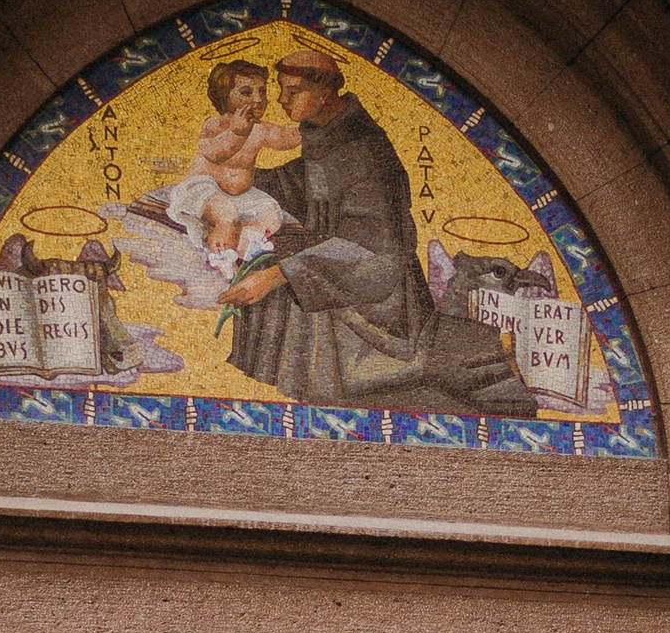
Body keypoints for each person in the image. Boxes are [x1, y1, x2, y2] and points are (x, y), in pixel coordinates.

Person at [216, 51, 536, 416]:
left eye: (292, 92)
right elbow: (305, 184)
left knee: (275, 286)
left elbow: (376, 253)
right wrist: (245, 184)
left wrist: (278, 276)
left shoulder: (364, 150)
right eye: (281, 91)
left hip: (378, 301)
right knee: (266, 257)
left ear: (324, 94)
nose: (281, 101)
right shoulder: (327, 136)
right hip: (335, 265)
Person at [163, 58, 298, 275]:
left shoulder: (260, 129)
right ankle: (222, 258)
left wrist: (307, 130)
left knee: (271, 214)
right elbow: (215, 153)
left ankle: (249, 245)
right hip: (204, 189)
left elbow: (284, 138)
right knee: (226, 215)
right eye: (246, 93)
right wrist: (236, 132)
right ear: (225, 96)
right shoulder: (216, 124)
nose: (258, 99)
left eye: (262, 92)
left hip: (242, 195)